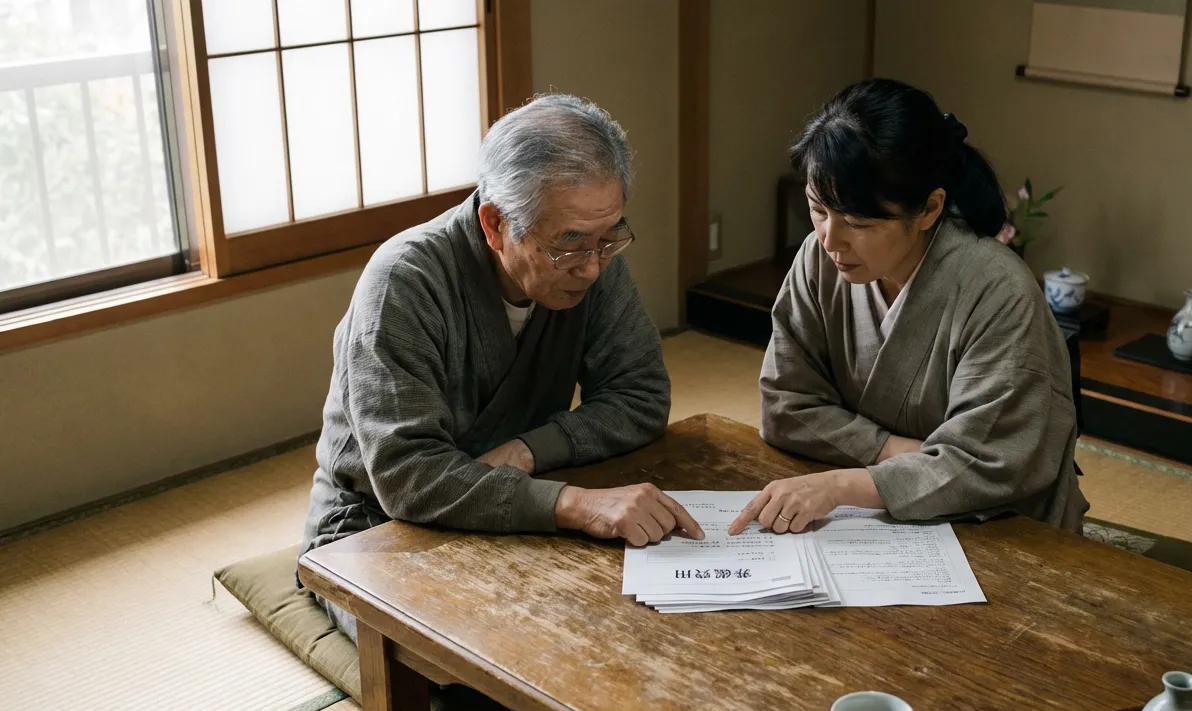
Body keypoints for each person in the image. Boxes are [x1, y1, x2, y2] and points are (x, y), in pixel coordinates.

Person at [299, 94, 704, 643]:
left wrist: (529, 451)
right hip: (378, 527)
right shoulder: (404, 282)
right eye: (568, 244)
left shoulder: (593, 255)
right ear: (494, 224)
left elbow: (641, 395)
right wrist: (572, 503)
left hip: (517, 496)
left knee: (619, 629)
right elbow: (409, 475)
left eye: (609, 236)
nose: (592, 268)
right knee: (465, 656)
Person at [729, 79, 1088, 536]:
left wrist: (844, 483)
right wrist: (896, 452)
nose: (830, 239)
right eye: (818, 210)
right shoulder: (818, 258)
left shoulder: (998, 290)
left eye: (857, 221)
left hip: (999, 522)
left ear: (929, 209)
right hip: (875, 512)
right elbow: (786, 407)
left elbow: (991, 461)